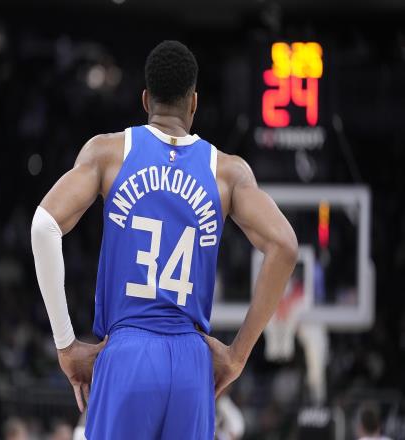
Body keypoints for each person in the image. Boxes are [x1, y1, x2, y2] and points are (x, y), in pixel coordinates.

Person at [31, 40, 298, 440]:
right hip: (193, 361)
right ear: (194, 103)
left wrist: (67, 345)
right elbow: (285, 246)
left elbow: (43, 227)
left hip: (127, 352)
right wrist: (237, 355)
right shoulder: (227, 172)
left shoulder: (109, 153)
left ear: (145, 99)